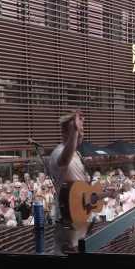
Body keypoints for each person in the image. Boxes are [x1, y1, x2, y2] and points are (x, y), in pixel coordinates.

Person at [50, 109, 89, 254]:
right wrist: (75, 132)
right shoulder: (57, 152)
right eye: (75, 130)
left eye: (81, 129)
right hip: (67, 216)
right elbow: (64, 159)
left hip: (80, 214)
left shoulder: (77, 155)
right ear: (65, 133)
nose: (80, 133)